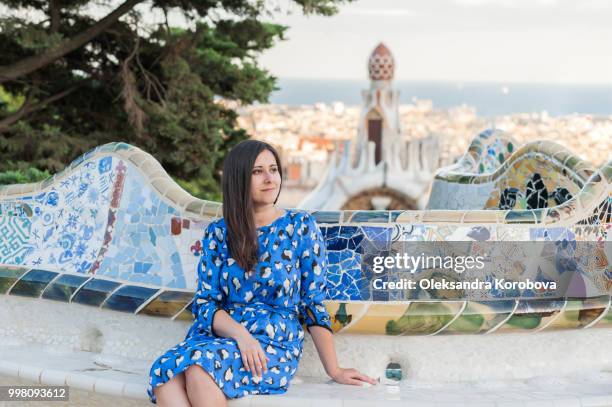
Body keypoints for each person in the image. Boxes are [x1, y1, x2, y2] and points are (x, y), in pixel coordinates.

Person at [147, 139, 376, 406]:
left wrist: (334, 370)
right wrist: (241, 336)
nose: (269, 179)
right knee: (165, 374)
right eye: (257, 172)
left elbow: (312, 303)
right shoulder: (220, 233)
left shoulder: (299, 226)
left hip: (274, 342)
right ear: (239, 179)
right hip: (223, 336)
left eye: (273, 169)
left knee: (199, 371)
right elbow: (205, 303)